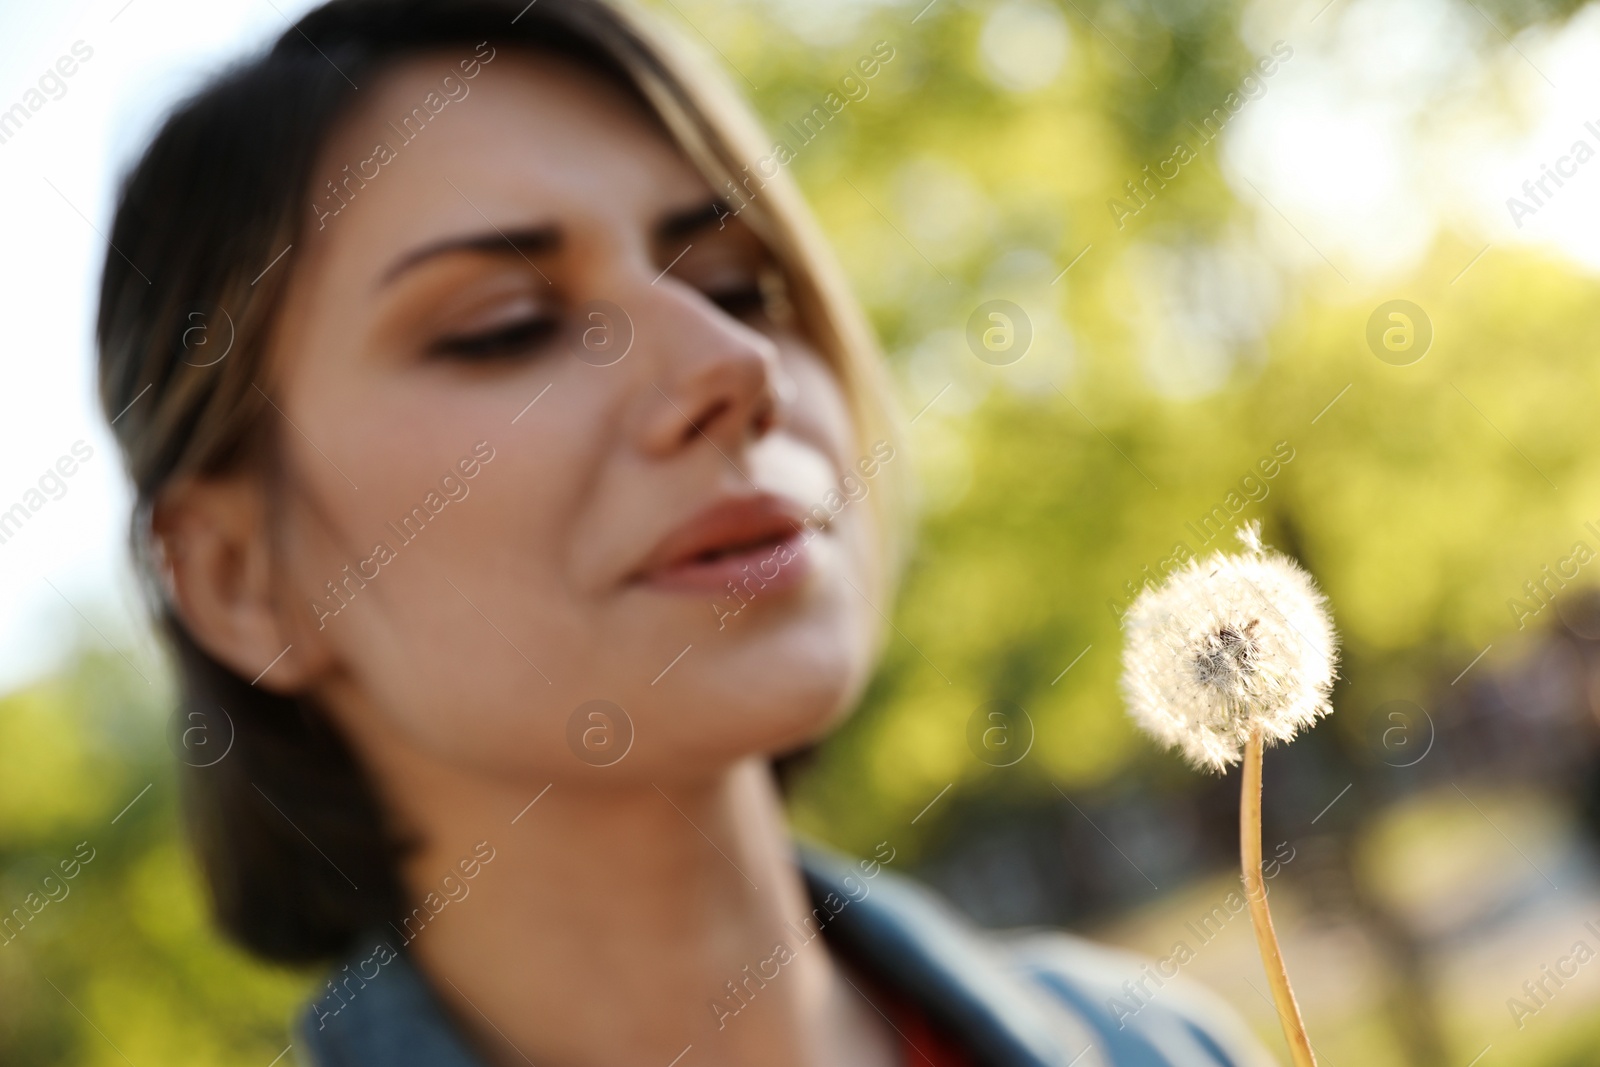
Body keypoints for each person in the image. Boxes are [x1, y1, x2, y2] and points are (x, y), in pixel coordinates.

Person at [96, 1, 1274, 1063]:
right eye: (506, 325)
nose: (733, 364)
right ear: (237, 577)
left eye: (737, 284)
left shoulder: (1164, 1047)